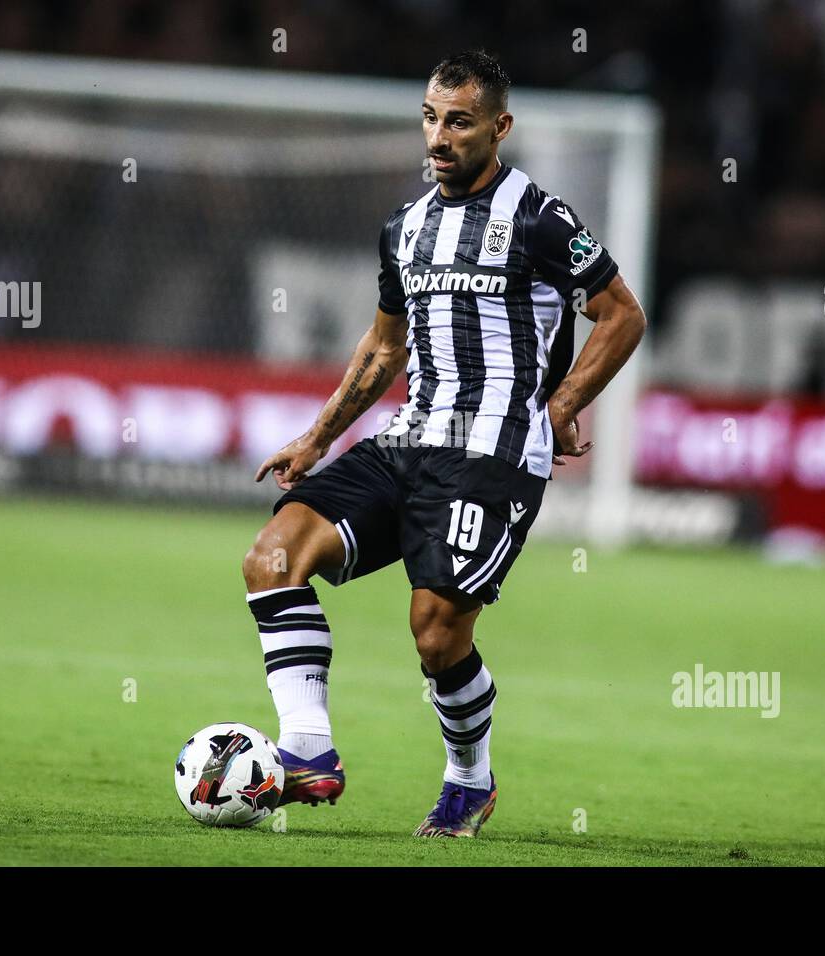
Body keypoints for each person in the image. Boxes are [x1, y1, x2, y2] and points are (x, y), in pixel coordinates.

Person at [243, 50, 646, 837]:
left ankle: (470, 777)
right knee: (272, 556)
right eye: (430, 117)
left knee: (435, 631)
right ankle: (307, 752)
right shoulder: (405, 227)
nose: (439, 136)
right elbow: (385, 347)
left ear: (499, 127)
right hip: (411, 436)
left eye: (459, 121)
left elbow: (621, 313)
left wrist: (561, 401)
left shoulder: (538, 216)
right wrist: (316, 439)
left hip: (495, 449)